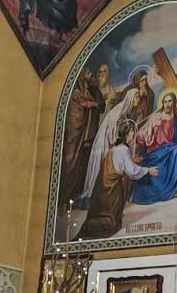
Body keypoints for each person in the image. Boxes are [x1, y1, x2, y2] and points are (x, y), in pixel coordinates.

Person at [78, 120, 159, 239]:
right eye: (132, 132)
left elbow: (121, 165)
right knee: (110, 223)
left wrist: (133, 162)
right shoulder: (124, 150)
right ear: (126, 134)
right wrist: (148, 170)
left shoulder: (115, 148)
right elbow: (132, 171)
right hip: (112, 190)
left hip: (104, 188)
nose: (133, 135)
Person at [76, 88, 141, 207]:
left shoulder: (125, 111)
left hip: (109, 143)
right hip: (104, 142)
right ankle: (93, 197)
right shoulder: (119, 111)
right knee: (101, 169)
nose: (138, 100)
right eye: (137, 97)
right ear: (131, 98)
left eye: (139, 97)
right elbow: (112, 132)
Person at [131, 91, 177, 205]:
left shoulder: (176, 119)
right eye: (165, 102)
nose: (167, 104)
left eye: (170, 101)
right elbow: (143, 136)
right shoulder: (156, 117)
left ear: (174, 102)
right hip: (157, 151)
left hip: (171, 148)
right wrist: (153, 128)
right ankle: (169, 190)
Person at [59, 67, 105, 207]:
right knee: (72, 163)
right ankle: (63, 197)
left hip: (85, 136)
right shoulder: (77, 94)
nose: (91, 75)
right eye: (89, 73)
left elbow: (98, 104)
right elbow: (75, 119)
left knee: (82, 165)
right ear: (82, 76)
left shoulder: (88, 92)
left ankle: (74, 196)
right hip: (76, 137)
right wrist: (89, 105)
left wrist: (92, 104)